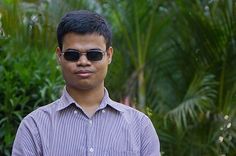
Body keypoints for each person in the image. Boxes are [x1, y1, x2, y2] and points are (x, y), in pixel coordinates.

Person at [12, 10, 160, 156]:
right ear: (59, 56)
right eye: (72, 55)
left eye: (94, 54)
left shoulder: (140, 127)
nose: (83, 62)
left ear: (109, 55)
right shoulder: (34, 127)